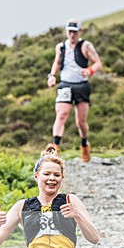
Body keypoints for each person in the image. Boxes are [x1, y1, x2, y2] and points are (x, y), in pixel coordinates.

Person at [46, 18, 103, 163]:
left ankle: (84, 145)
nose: (72, 35)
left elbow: (98, 63)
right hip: (65, 84)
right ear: (66, 31)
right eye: (70, 32)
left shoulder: (85, 46)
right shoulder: (61, 47)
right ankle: (55, 147)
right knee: (62, 114)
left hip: (81, 86)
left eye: (75, 32)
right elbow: (57, 62)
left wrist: (90, 70)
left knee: (81, 122)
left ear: (79, 32)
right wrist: (52, 76)